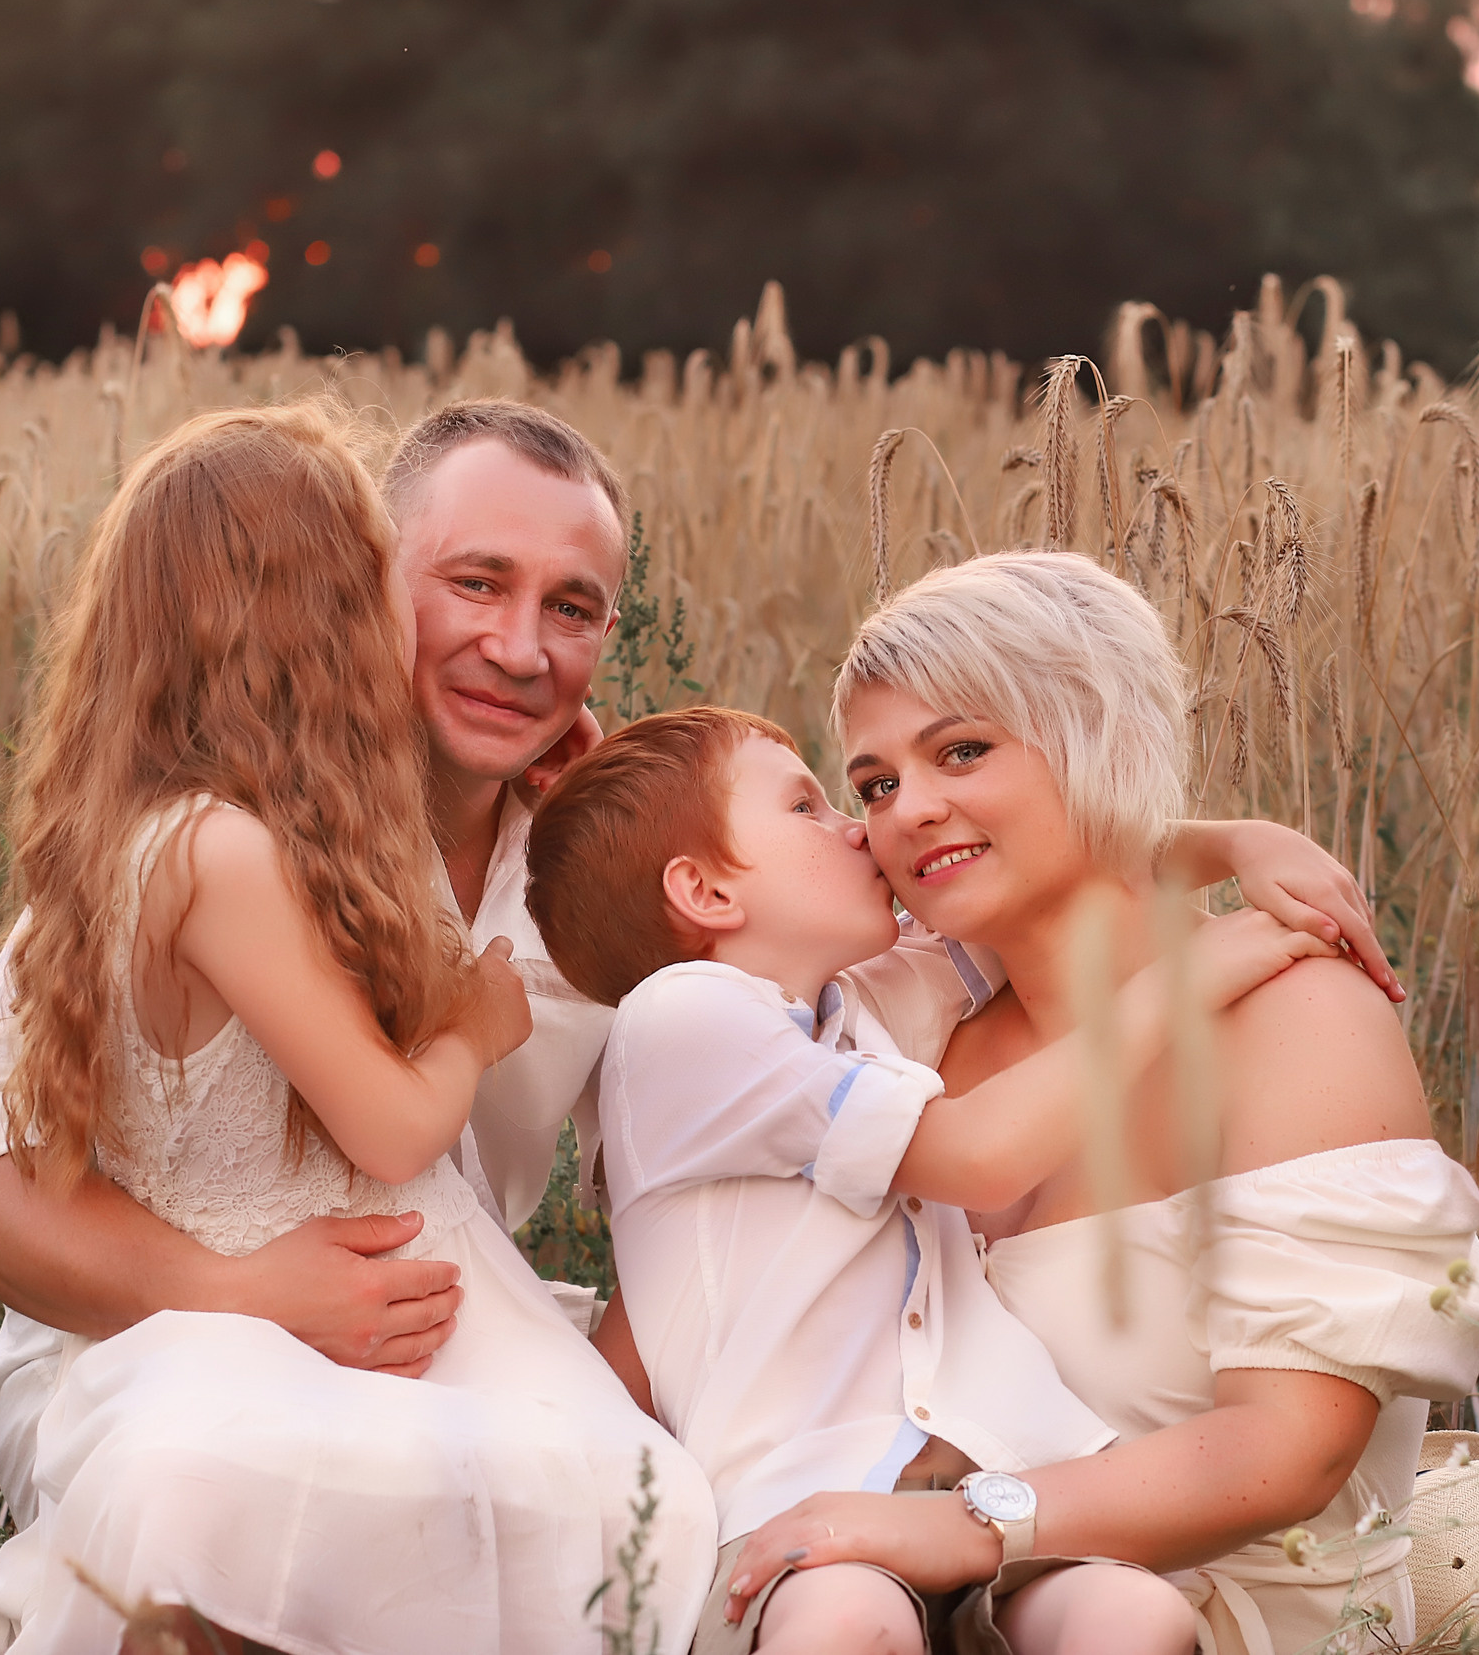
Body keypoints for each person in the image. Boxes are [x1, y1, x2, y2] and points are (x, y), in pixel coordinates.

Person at [0, 398, 718, 1654]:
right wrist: (238, 1292)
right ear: (367, 581)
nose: (520, 650)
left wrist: (614, 857)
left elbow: (710, 1168)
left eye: (571, 607)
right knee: (235, 1503)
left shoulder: (598, 869)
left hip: (453, 1336)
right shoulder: (222, 832)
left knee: (648, 1519)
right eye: (475, 583)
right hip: (165, 1347)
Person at [728, 552, 1479, 1655]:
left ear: (1098, 735)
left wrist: (962, 1526)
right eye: (876, 784)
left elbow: (1291, 1450)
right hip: (927, 1612)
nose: (910, 810)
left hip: (1231, 1618)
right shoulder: (908, 1026)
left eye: (962, 750)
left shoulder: (1295, 1017)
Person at [529, 707, 1346, 1654]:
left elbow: (1046, 881)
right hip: (803, 1502)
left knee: (1134, 1616)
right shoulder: (681, 1022)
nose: (857, 829)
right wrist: (1189, 978)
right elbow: (979, 1155)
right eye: (805, 806)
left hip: (997, 1471)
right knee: (851, 1622)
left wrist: (1239, 844)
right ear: (705, 890)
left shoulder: (857, 1002)